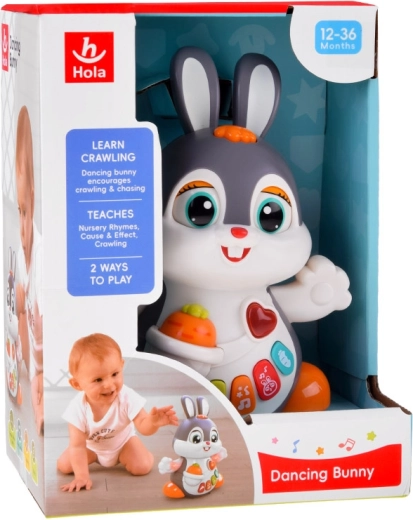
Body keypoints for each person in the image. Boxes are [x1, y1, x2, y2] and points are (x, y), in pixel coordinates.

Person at [57, 333, 178, 492]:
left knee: (142, 466)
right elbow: (78, 446)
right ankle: (93, 459)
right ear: (77, 384)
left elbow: (143, 426)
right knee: (64, 466)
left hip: (123, 444)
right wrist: (82, 477)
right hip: (91, 448)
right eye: (98, 380)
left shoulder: (126, 397)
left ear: (122, 366)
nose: (109, 384)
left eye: (115, 374)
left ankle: (141, 453)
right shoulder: (77, 408)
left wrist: (153, 422)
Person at [15, 105, 43, 435]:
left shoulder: (40, 253)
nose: (22, 225)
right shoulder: (26, 260)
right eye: (19, 212)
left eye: (26, 212)